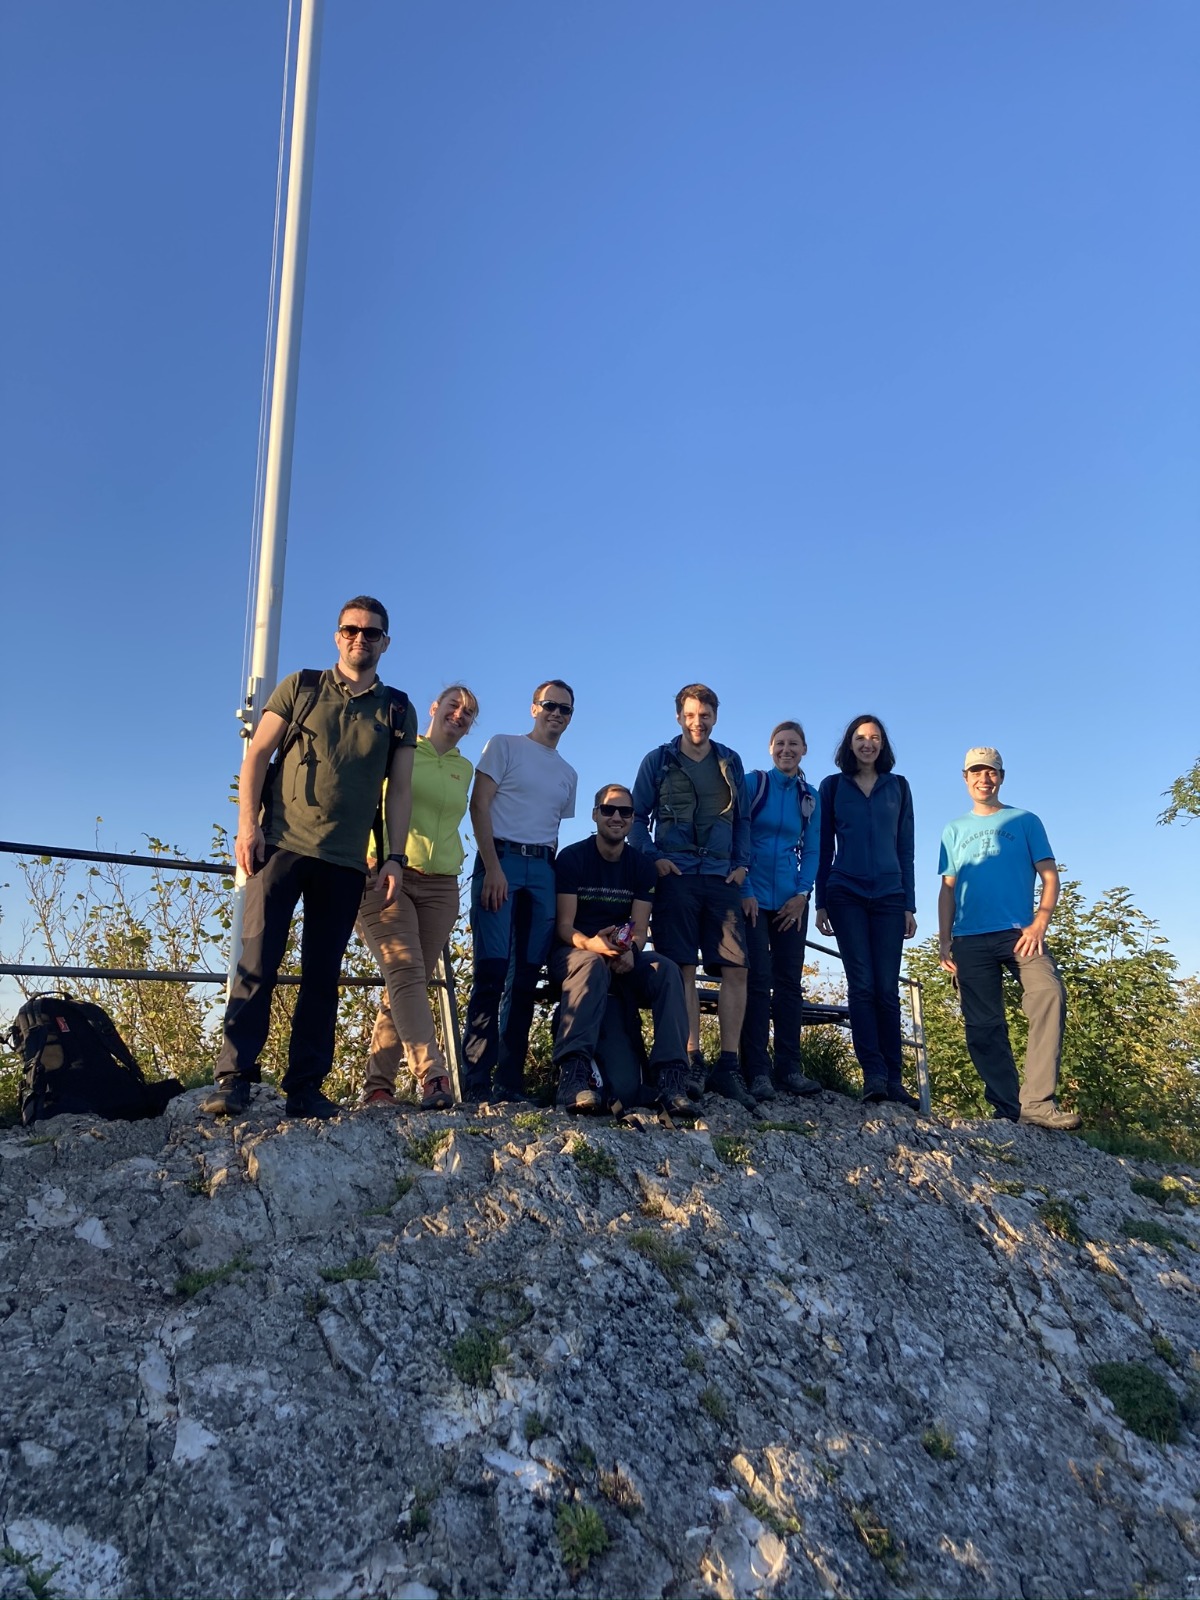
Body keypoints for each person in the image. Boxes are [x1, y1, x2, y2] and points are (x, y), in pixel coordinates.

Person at [202, 597, 417, 1120]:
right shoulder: (301, 686)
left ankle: (305, 1087)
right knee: (256, 962)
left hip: (347, 860)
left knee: (323, 976)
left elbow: (399, 790)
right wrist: (247, 826)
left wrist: (394, 857)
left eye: (371, 632)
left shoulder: (397, 709)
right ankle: (234, 1078)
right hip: (280, 844)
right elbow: (256, 754)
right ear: (337, 636)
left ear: (386, 642)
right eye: (351, 629)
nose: (360, 638)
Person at [937, 747, 1078, 1129]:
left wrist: (1040, 922)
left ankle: (1037, 1103)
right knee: (983, 1026)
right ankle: (1008, 1109)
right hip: (968, 938)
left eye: (991, 772)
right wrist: (945, 940)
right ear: (965, 778)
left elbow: (1050, 876)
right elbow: (948, 889)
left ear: (1001, 777)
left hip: (1020, 934)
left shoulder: (1026, 821)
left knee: (1048, 994)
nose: (984, 779)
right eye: (976, 772)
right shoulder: (953, 830)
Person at [630, 683, 755, 1108]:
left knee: (736, 969)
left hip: (722, 877)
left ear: (715, 716)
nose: (697, 722)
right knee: (681, 967)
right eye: (689, 715)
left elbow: (743, 820)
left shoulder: (730, 761)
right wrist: (654, 858)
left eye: (704, 715)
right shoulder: (659, 760)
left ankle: (728, 1065)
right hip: (677, 874)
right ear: (678, 717)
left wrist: (742, 864)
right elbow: (636, 817)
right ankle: (690, 1060)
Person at [356, 685, 479, 1112]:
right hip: (387, 874)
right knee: (406, 971)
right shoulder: (402, 749)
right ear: (434, 708)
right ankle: (433, 1074)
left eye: (468, 712)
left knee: (407, 982)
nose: (459, 714)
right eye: (453, 705)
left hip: (441, 884)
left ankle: (377, 1087)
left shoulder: (465, 769)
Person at [460, 680, 578, 1100]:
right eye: (550, 705)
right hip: (502, 860)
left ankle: (509, 1083)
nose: (556, 714)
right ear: (534, 708)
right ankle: (475, 1080)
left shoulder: (568, 774)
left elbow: (551, 827)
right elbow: (479, 805)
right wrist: (492, 866)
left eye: (565, 709)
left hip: (543, 868)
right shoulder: (504, 746)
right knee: (491, 971)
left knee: (525, 978)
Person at [551, 784, 693, 1117]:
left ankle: (672, 1078)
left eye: (625, 812)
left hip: (621, 956)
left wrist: (631, 951)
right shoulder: (572, 858)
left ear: (632, 819)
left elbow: (639, 930)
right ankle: (574, 1076)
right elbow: (564, 927)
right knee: (591, 964)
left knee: (666, 970)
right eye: (608, 810)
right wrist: (593, 945)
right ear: (595, 814)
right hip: (574, 955)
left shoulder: (641, 867)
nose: (616, 817)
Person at [814, 714, 918, 1107]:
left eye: (874, 737)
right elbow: (823, 847)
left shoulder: (899, 787)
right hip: (846, 893)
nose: (867, 743)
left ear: (882, 744)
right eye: (860, 737)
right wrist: (821, 901)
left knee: (886, 988)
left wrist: (909, 904)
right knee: (862, 984)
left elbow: (905, 848)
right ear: (850, 743)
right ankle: (873, 1075)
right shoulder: (832, 786)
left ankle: (894, 1079)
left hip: (890, 895)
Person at [739, 721, 823, 1101]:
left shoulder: (810, 797)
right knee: (757, 981)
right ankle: (756, 1070)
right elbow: (738, 836)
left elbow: (814, 850)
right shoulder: (754, 784)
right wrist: (745, 890)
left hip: (792, 902)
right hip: (752, 898)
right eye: (780, 744)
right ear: (770, 748)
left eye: (794, 744)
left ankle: (789, 1069)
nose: (786, 750)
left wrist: (803, 894)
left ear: (804, 750)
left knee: (789, 984)